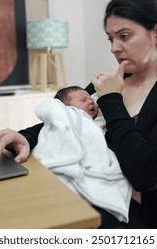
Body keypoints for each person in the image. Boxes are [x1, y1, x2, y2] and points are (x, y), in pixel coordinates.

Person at [0, 0, 157, 229]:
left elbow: (145, 174)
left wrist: (111, 99)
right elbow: (69, 122)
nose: (114, 48)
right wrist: (23, 137)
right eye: (111, 38)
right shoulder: (108, 82)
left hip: (133, 217)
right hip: (83, 191)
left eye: (124, 36)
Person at [31, 85, 132, 222]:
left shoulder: (97, 121)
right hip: (67, 161)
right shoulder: (67, 116)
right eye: (83, 100)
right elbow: (51, 112)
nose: (90, 101)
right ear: (64, 107)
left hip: (93, 168)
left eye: (91, 99)